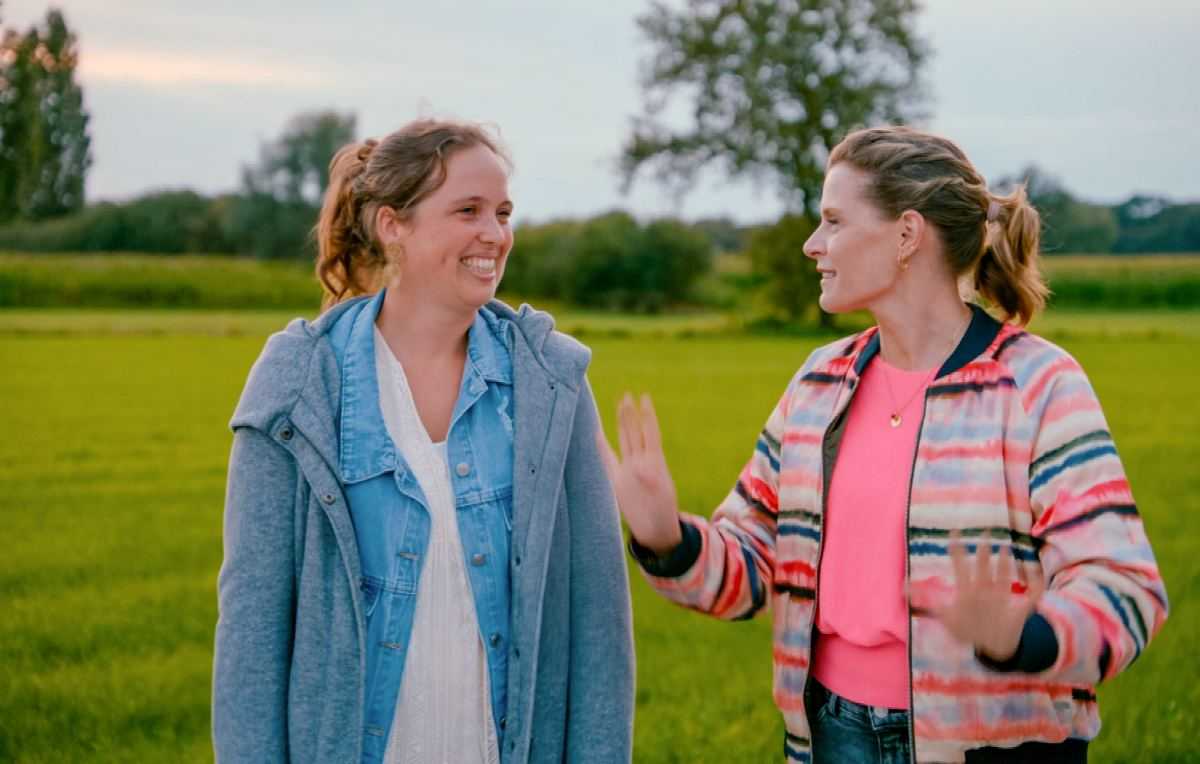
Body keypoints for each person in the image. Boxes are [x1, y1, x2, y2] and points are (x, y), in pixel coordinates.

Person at [598, 125, 1167, 763]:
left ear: (906, 235)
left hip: (991, 745)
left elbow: (1128, 588)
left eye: (834, 221)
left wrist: (1025, 636)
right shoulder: (819, 382)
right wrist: (667, 539)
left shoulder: (1037, 385)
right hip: (830, 733)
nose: (813, 245)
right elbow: (754, 566)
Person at [213, 119, 635, 764]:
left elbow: (598, 627)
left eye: (502, 212)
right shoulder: (299, 383)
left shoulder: (551, 383)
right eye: (467, 210)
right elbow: (253, 629)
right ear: (392, 225)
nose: (494, 234)